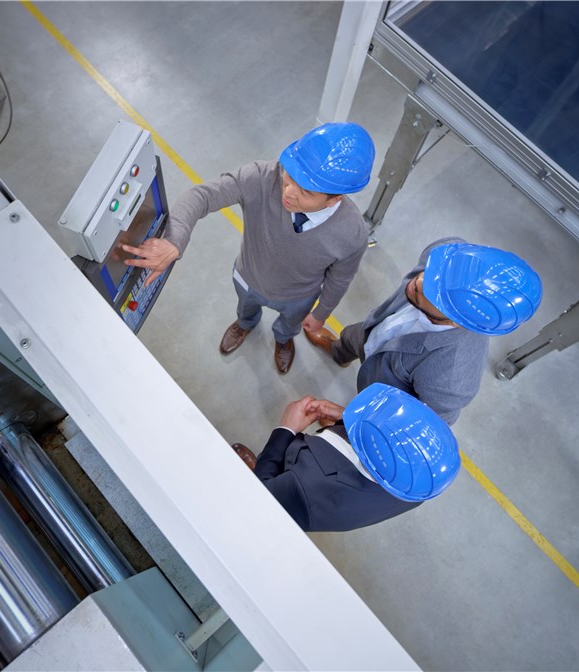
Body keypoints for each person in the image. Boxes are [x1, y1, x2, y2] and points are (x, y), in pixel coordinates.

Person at [121, 123, 375, 374]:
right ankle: (245, 324)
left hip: (298, 297)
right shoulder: (262, 178)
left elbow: (340, 279)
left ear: (335, 198)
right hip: (248, 276)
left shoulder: (352, 233)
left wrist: (321, 312)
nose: (288, 191)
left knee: (289, 325)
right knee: (245, 308)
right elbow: (202, 196)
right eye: (291, 174)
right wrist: (174, 240)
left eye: (306, 191)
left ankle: (283, 339)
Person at [305, 238, 542, 424]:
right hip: (373, 331)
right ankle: (339, 352)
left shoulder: (451, 379)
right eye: (432, 274)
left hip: (379, 385)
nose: (418, 281)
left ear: (457, 322)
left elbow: (420, 421)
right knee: (351, 338)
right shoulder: (447, 253)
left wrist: (351, 419)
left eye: (433, 294)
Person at [241, 383, 460, 532]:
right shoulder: (417, 485)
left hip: (283, 490)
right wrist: (350, 420)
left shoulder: (308, 490)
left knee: (265, 474)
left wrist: (285, 429)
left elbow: (262, 499)